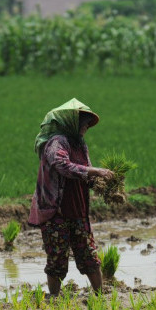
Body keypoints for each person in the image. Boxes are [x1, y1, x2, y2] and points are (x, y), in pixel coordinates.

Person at [28, 98, 114, 297]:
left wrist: (104, 185)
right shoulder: (56, 142)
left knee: (89, 255)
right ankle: (55, 299)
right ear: (72, 123)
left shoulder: (80, 144)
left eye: (87, 125)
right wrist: (96, 171)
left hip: (78, 210)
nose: (86, 128)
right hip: (55, 212)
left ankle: (100, 295)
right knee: (57, 259)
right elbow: (63, 166)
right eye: (83, 123)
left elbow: (85, 174)